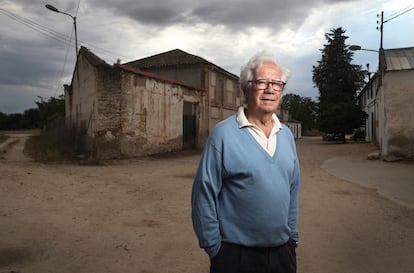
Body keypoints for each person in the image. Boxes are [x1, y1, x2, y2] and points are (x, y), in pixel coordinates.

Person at [191, 51, 300, 273]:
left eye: (277, 83)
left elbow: (293, 190)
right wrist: (215, 249)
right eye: (262, 82)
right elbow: (203, 194)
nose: (270, 89)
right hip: (236, 257)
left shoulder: (286, 135)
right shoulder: (223, 135)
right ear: (245, 89)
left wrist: (292, 238)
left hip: (282, 254)